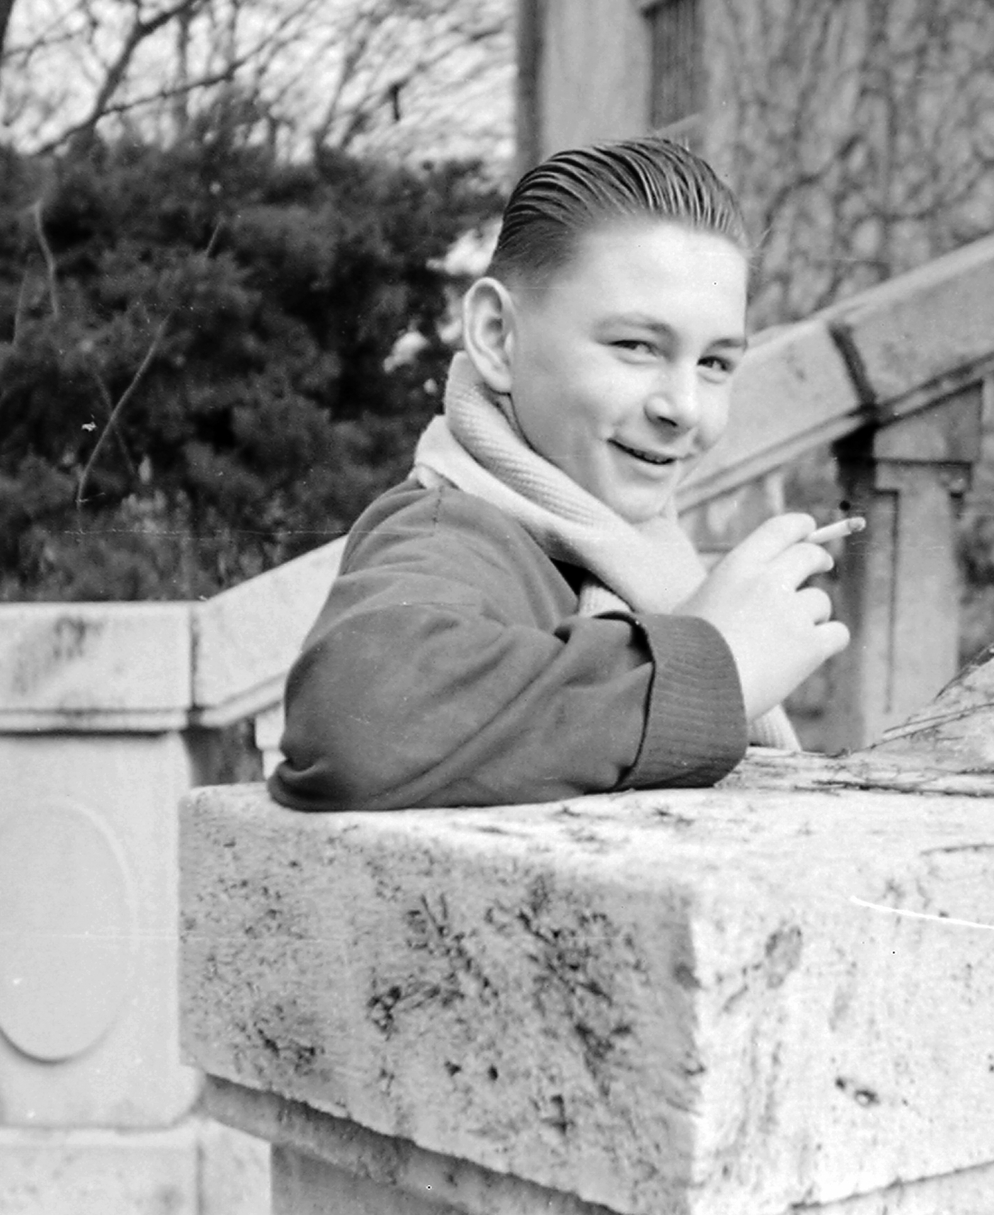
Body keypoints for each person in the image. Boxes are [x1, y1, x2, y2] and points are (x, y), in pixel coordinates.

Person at [269, 137, 850, 812]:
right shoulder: (452, 532)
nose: (685, 408)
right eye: (636, 346)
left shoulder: (628, 545)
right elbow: (356, 722)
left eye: (715, 363)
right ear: (496, 336)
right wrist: (714, 668)